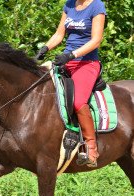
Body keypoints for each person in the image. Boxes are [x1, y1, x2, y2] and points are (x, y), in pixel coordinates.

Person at [36, 0, 107, 167]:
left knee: (78, 101)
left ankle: (91, 147)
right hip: (66, 60)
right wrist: (44, 49)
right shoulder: (69, 5)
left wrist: (72, 55)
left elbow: (96, 40)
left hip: (86, 63)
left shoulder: (97, 6)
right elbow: (59, 34)